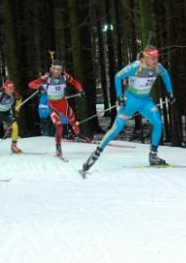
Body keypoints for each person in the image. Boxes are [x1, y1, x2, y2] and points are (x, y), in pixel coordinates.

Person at [82, 45, 175, 173]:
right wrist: (120, 96)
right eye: (153, 58)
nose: (155, 60)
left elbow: (165, 75)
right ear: (146, 57)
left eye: (157, 57)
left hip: (145, 102)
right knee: (116, 129)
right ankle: (95, 154)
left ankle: (153, 156)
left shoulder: (157, 67)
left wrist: (170, 93)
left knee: (158, 123)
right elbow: (117, 76)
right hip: (130, 102)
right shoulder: (136, 67)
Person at [28, 59, 88, 157]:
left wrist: (81, 90)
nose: (57, 71)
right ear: (51, 68)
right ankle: (58, 147)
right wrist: (38, 87)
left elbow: (75, 82)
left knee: (72, 119)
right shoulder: (47, 77)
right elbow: (31, 84)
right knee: (59, 125)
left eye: (59, 69)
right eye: (55, 69)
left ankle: (78, 135)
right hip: (52, 105)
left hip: (63, 103)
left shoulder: (65, 76)